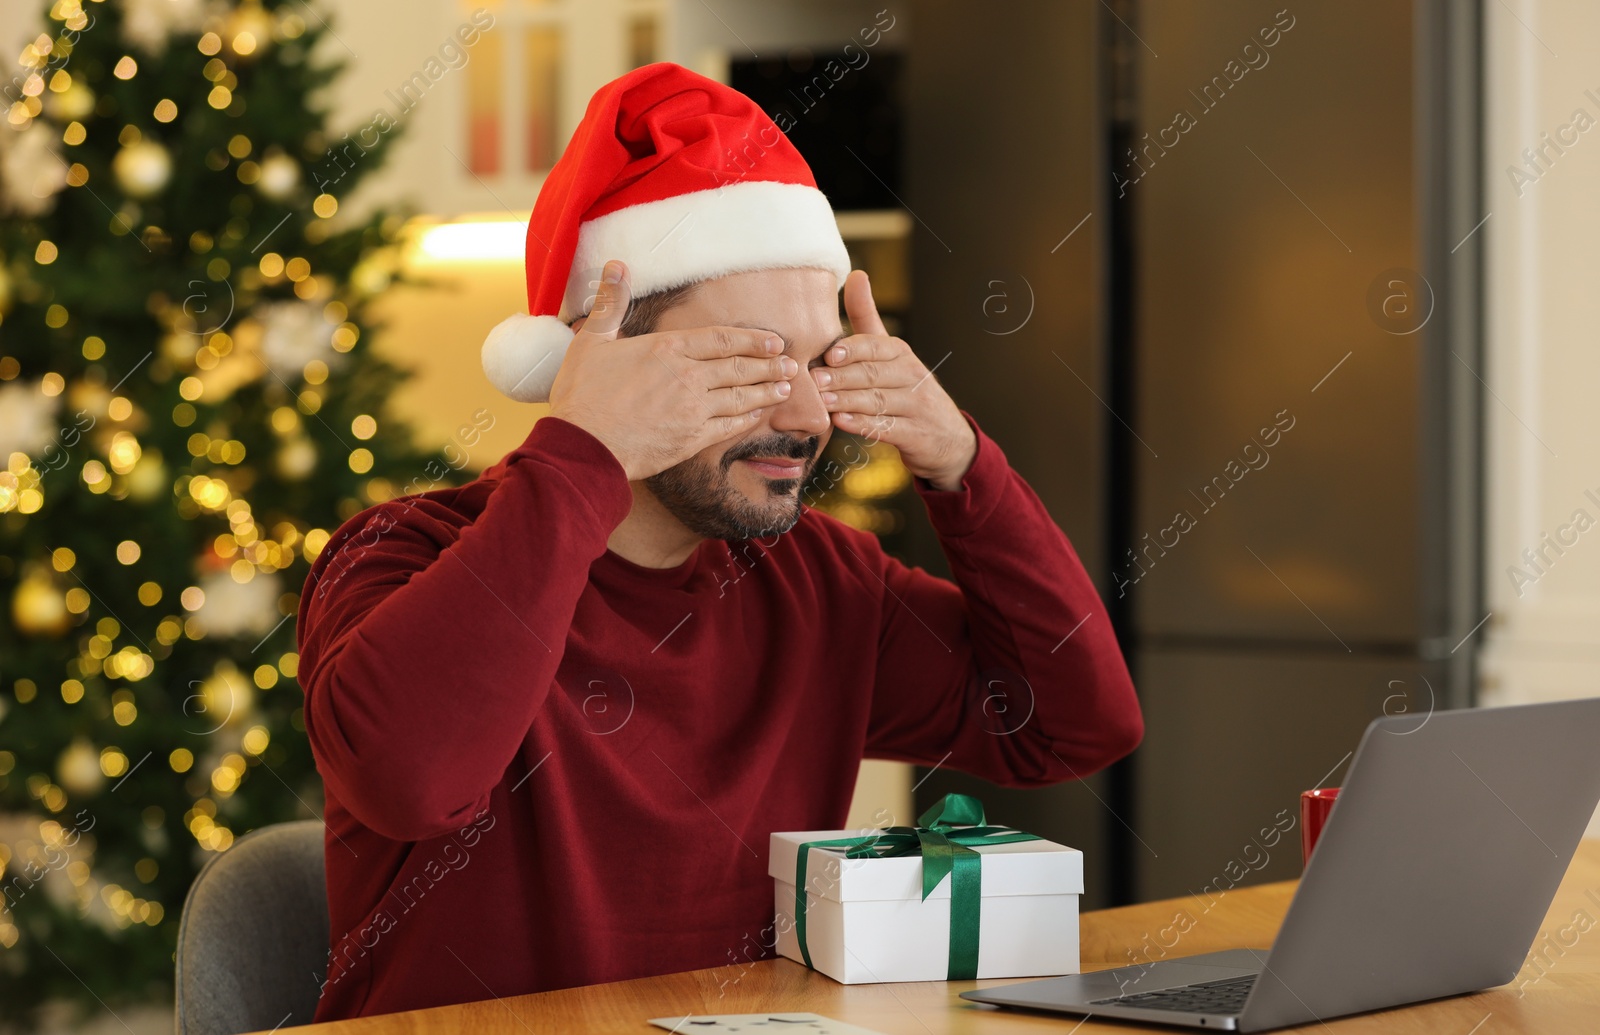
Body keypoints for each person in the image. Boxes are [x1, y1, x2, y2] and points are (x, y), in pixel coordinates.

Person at [296, 62, 1141, 1021]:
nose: (809, 411)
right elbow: (413, 782)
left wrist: (959, 461)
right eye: (748, 361)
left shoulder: (818, 579)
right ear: (596, 359)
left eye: (820, 360)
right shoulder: (397, 554)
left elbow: (1072, 725)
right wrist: (583, 453)